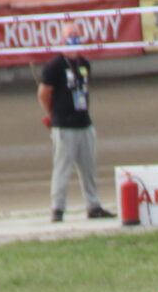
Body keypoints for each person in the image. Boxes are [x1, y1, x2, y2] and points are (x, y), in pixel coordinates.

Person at [39, 19, 115, 223]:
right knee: (62, 168)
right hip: (64, 125)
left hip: (84, 123)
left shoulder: (84, 63)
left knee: (89, 168)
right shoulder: (54, 66)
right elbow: (44, 94)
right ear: (62, 40)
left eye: (76, 35)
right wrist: (53, 114)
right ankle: (57, 208)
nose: (73, 39)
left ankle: (93, 206)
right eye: (70, 36)